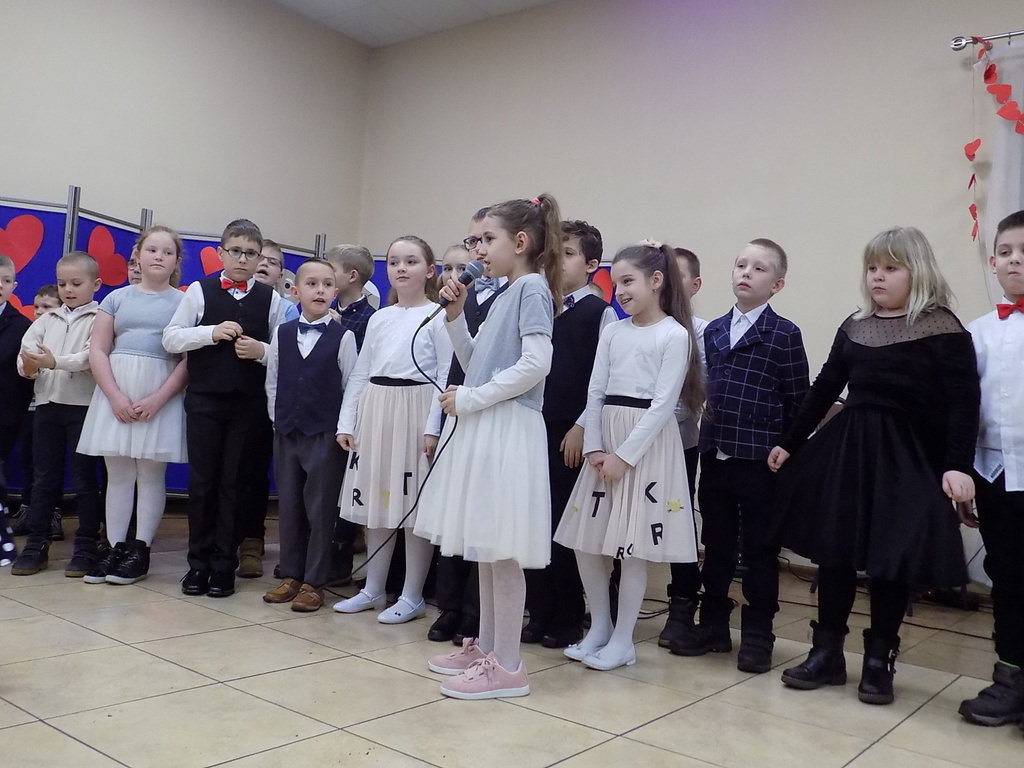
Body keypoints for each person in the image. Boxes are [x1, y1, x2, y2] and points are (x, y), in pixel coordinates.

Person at [770, 226, 979, 706]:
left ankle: (879, 660)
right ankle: (826, 653)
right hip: (849, 452)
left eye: (890, 268)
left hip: (908, 460)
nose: (877, 277)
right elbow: (825, 387)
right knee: (836, 553)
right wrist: (791, 442)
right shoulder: (856, 325)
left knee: (891, 559)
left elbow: (964, 404)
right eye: (872, 268)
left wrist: (958, 465)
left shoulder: (943, 328)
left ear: (917, 272)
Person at [414, 194, 562, 700]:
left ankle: (510, 666)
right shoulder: (506, 293)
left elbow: (537, 363)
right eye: (474, 239)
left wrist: (472, 398)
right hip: (487, 422)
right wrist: (456, 317)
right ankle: (490, 649)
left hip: (507, 426)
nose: (476, 250)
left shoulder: (533, 288)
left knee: (504, 552)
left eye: (486, 239)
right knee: (487, 545)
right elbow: (478, 361)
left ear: (520, 242)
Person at [554, 241, 703, 670]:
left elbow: (663, 405)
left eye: (628, 281)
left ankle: (623, 639)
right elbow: (595, 391)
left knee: (631, 547)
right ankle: (600, 627)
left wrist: (624, 456)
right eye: (615, 282)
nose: (619, 291)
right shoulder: (614, 331)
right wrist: (595, 445)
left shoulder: (674, 334)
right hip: (605, 441)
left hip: (645, 447)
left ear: (656, 281)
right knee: (586, 541)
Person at [672, 238, 809, 675]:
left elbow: (798, 399)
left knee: (760, 551)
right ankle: (713, 624)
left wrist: (787, 447)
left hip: (760, 462)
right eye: (741, 265)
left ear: (777, 284)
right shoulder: (713, 331)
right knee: (716, 545)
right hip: (716, 454)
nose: (746, 273)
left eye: (759, 269)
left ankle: (758, 635)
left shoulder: (783, 334)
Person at [163, 218, 286, 598]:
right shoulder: (198, 291)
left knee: (235, 483)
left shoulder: (271, 299)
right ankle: (197, 564)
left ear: (259, 258)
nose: (243, 259)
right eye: (236, 251)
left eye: (251, 253)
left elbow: (285, 352)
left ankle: (223, 566)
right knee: (203, 483)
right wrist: (209, 333)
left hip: (249, 404)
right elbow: (171, 338)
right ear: (221, 253)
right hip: (204, 400)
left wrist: (262, 351)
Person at [334, 235, 450, 624]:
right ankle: (373, 588)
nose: (401, 268)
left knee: (411, 506)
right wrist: (347, 421)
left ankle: (412, 594)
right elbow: (361, 372)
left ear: (429, 270)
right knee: (376, 503)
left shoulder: (438, 316)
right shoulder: (380, 317)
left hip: (416, 410)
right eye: (395, 261)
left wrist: (433, 428)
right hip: (377, 409)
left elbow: (443, 375)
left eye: (411, 261)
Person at [522, 219, 616, 650]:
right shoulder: (537, 305)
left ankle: (567, 616)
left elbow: (603, 379)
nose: (557, 261)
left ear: (592, 264)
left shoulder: (599, 313)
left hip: (569, 433)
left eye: (569, 254)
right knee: (532, 523)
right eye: (553, 252)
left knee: (563, 525)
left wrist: (582, 425)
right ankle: (538, 611)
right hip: (531, 426)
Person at [78, 225, 188, 584]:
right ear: (137, 256)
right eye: (152, 249)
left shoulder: (184, 302)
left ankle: (140, 550)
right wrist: (115, 396)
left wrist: (159, 399)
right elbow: (98, 350)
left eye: (167, 252)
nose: (159, 257)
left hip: (159, 392)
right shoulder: (116, 298)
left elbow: (188, 360)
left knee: (151, 473)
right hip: (117, 389)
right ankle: (114, 547)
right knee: (119, 474)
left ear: (176, 261)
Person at [958, 210, 1024, 727]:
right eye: (1005, 252)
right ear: (993, 262)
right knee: (1007, 574)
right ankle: (1010, 678)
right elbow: (962, 411)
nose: (1014, 260)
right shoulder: (975, 333)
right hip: (995, 474)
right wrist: (961, 474)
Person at [263, 259, 357, 611]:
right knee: (288, 504)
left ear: (335, 291)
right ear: (295, 291)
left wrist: (343, 426)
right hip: (287, 430)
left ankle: (315, 581)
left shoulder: (343, 337)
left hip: (324, 432)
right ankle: (291, 573)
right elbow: (273, 380)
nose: (320, 290)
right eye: (312, 284)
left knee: (320, 509)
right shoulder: (282, 333)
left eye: (327, 284)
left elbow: (351, 385)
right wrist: (277, 419)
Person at [428, 228, 505, 646]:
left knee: (481, 519)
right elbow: (451, 366)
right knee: (454, 516)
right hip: (456, 409)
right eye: (451, 267)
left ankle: (476, 613)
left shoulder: (514, 295)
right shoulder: (458, 301)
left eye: (483, 243)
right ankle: (449, 606)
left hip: (488, 412)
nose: (477, 254)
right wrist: (435, 424)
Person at [12, 252, 103, 576]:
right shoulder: (46, 320)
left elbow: (91, 357)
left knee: (84, 479)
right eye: (62, 284)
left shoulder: (100, 319)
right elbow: (26, 354)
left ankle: (87, 546)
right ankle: (36, 545)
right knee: (44, 478)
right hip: (47, 407)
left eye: (76, 283)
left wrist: (54, 362)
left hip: (83, 408)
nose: (68, 290)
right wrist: (29, 368)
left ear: (96, 284)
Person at [658, 247, 709, 648]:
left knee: (678, 521)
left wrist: (649, 423)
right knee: (626, 517)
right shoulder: (631, 326)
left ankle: (682, 606)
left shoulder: (703, 332)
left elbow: (693, 397)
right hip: (632, 445)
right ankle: (615, 598)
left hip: (678, 443)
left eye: (678, 275)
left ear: (695, 285)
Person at [10, 285, 62, 538]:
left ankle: (53, 513)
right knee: (28, 460)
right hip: (30, 409)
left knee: (51, 464)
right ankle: (27, 509)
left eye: (47, 307)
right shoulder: (29, 334)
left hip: (55, 406)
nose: (40, 312)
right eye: (37, 306)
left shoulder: (62, 336)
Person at [0, 254, 34, 552]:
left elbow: (25, 377)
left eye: (6, 280)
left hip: (4, 415)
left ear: (14, 286)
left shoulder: (23, 325)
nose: (0, 286)